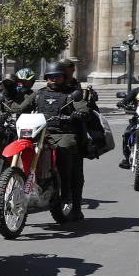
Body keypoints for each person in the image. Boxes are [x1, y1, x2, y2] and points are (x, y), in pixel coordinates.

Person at [36, 61, 89, 220]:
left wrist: (79, 113)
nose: (53, 79)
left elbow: (83, 108)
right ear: (46, 78)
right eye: (50, 77)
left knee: (66, 149)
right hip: (41, 132)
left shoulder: (72, 94)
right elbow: (21, 107)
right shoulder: (39, 93)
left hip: (64, 132)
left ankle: (69, 197)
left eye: (57, 76)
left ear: (63, 77)